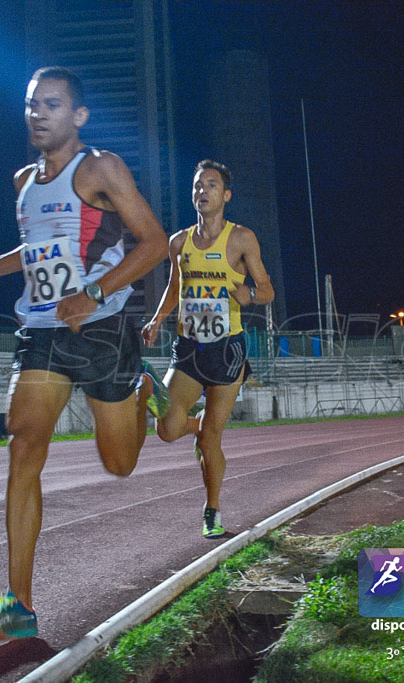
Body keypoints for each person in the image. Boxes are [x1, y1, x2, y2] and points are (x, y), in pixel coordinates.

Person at [0, 66, 169, 641]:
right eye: (31, 104)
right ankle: (17, 604)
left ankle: (141, 387)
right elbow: (36, 249)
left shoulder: (100, 168)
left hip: (101, 330)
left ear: (78, 117)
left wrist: (94, 291)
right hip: (43, 330)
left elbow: (155, 243)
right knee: (23, 444)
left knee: (118, 463)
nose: (37, 113)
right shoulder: (23, 180)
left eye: (51, 104)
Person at [142, 160, 274, 539]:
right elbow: (174, 288)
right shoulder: (178, 242)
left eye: (212, 186)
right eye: (198, 185)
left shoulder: (241, 239)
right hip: (188, 348)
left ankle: (212, 511)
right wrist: (155, 320)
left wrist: (249, 294)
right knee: (166, 428)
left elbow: (267, 290)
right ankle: (194, 421)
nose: (203, 191)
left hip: (227, 351)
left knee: (211, 440)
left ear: (225, 195)